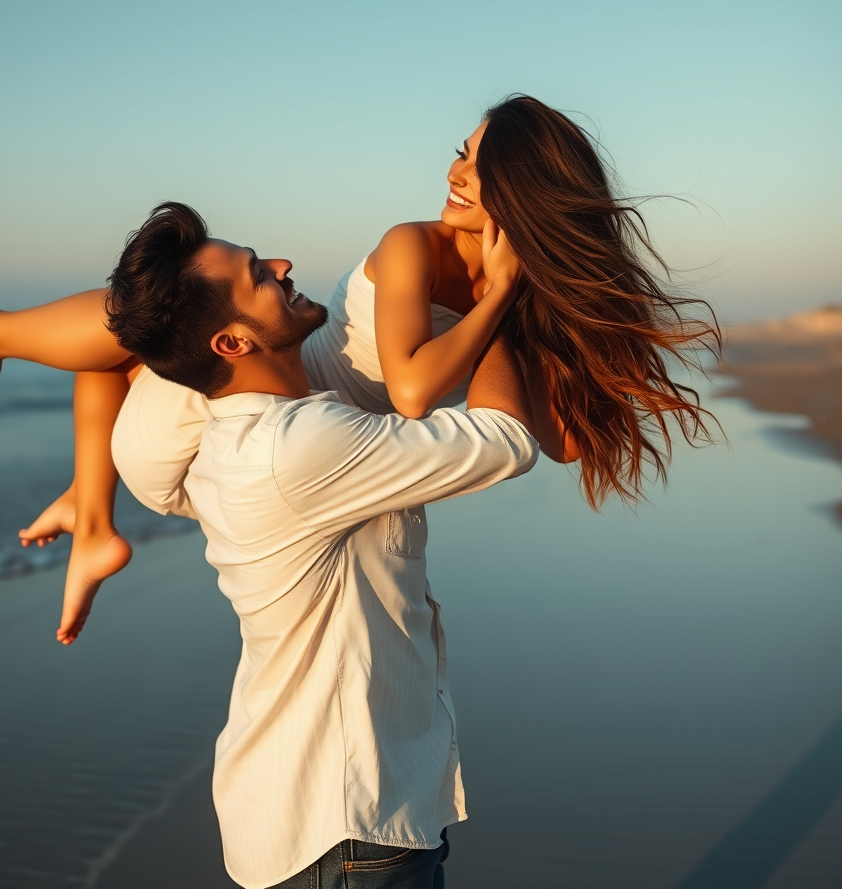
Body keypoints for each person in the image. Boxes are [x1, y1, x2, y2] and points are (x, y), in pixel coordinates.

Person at [0, 95, 719, 644]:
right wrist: (498, 300)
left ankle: (64, 461)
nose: (452, 175)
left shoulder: (512, 298)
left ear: (526, 191)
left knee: (145, 323)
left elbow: (564, 444)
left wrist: (525, 318)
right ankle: (1, 360)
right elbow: (410, 389)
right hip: (220, 426)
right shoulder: (413, 246)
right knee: (155, 308)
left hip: (269, 446)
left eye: (477, 166)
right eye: (458, 155)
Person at [104, 200, 539, 887]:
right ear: (233, 342)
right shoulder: (294, 447)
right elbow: (507, 442)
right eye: (257, 276)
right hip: (343, 829)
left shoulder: (238, 442)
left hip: (321, 816)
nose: (282, 266)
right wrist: (499, 299)